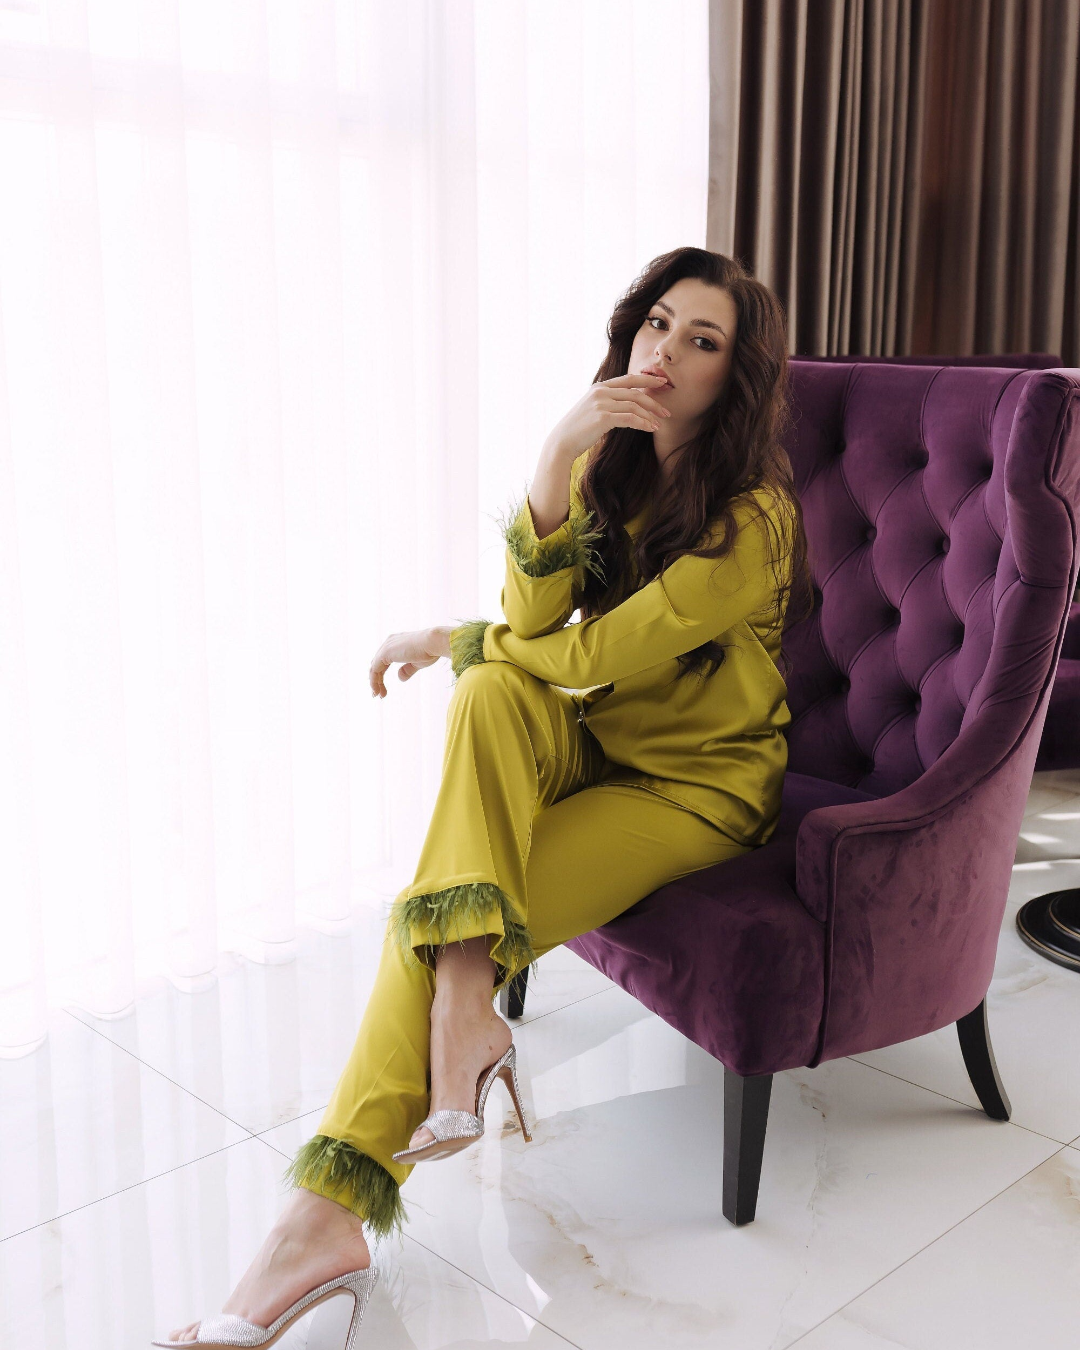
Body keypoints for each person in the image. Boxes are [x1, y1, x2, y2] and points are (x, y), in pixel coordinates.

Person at [155, 245, 814, 1346]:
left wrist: (453, 637)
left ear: (731, 381)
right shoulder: (619, 466)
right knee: (493, 692)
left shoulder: (755, 520)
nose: (665, 352)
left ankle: (320, 1222)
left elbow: (594, 648)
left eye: (702, 343)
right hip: (594, 742)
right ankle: (471, 1018)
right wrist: (560, 447)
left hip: (693, 786)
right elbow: (536, 616)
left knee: (484, 705)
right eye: (657, 324)